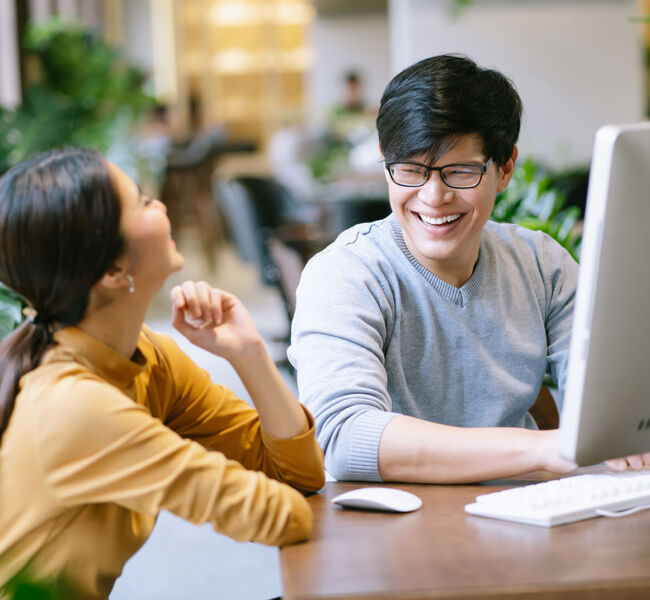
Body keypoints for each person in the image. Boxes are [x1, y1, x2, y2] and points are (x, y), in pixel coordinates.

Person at [288, 53, 650, 484]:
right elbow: (345, 438)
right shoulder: (346, 274)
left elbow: (609, 408)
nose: (433, 195)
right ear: (385, 163)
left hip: (530, 512)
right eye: (410, 170)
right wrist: (541, 447)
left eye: (460, 171)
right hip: (397, 525)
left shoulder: (540, 263)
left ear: (505, 169)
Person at [0, 147, 324, 598]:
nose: (163, 204)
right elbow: (279, 515)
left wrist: (248, 353)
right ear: (114, 269)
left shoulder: (147, 358)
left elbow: (298, 477)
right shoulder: (75, 405)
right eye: (141, 201)